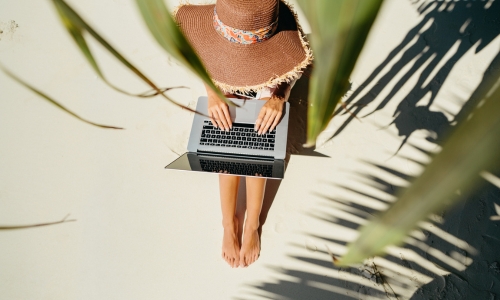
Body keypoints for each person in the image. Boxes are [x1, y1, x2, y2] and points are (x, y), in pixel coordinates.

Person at [175, 0, 312, 268]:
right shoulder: (219, 28)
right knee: (224, 129)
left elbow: (294, 69)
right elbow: (196, 59)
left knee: (260, 132)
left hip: (269, 82)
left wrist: (279, 98)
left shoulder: (277, 29)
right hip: (224, 77)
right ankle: (229, 222)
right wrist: (212, 93)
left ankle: (252, 224)